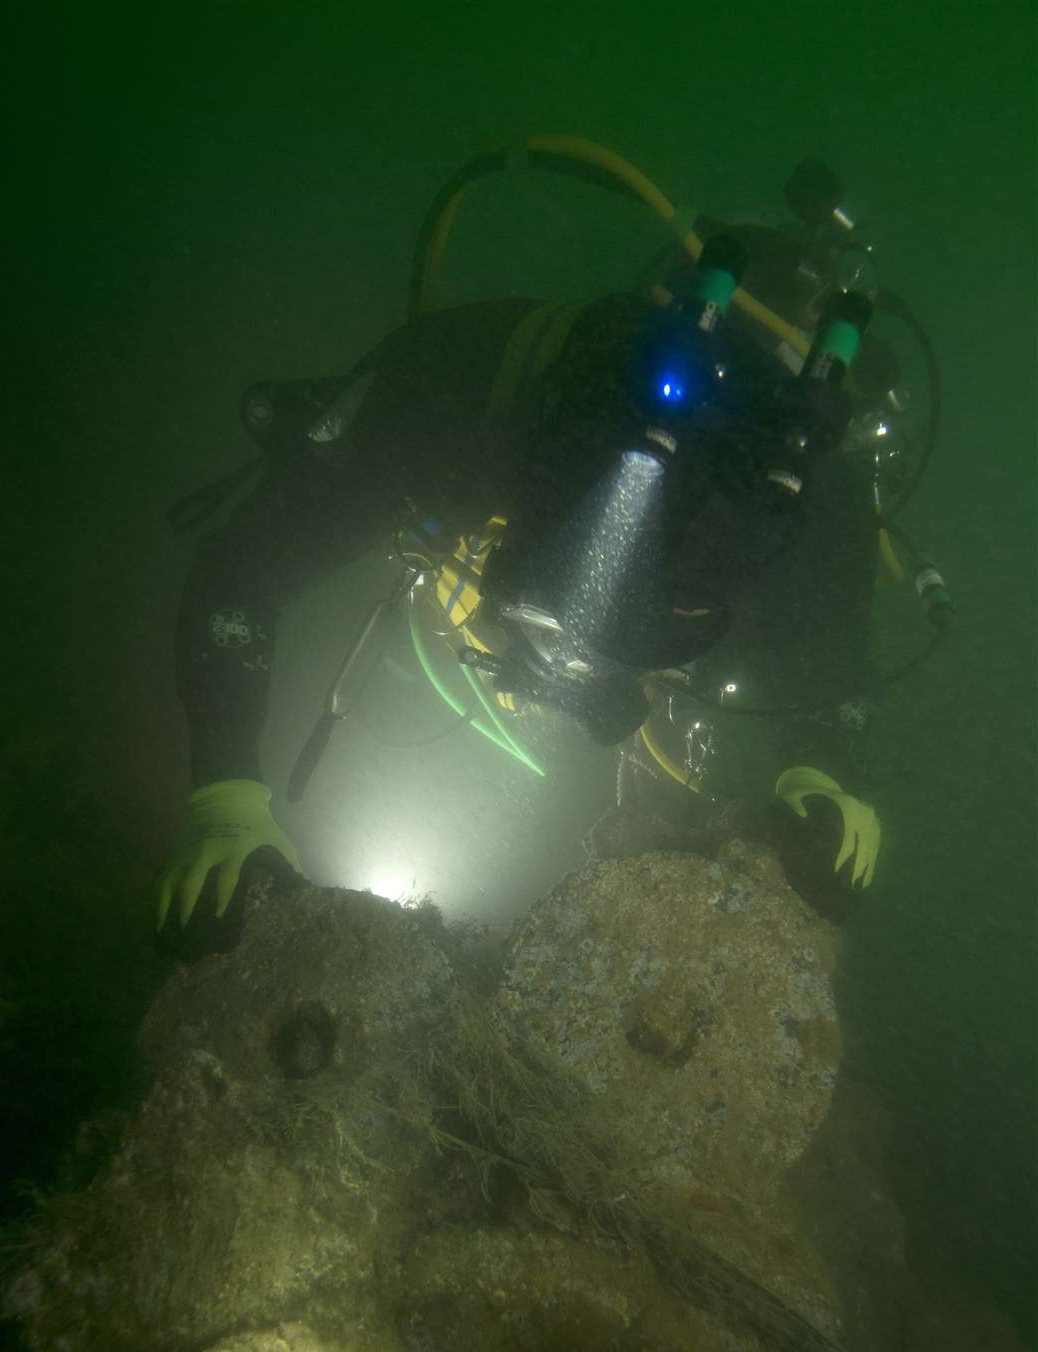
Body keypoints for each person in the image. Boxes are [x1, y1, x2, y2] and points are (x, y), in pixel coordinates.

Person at [155, 141, 946, 955]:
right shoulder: (477, 380)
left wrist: (820, 766)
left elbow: (832, 663)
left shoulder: (815, 500)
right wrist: (226, 792)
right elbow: (247, 561)